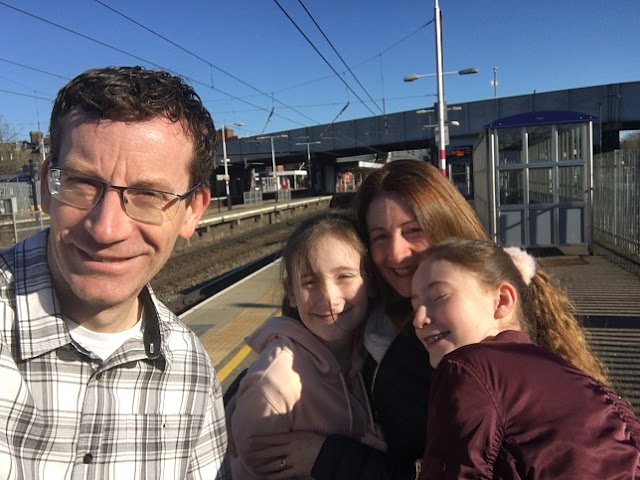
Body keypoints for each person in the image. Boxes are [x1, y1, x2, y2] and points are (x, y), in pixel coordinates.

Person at [0, 66, 229, 479]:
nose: (106, 228)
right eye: (82, 182)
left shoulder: (192, 372)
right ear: (44, 188)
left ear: (191, 211)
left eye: (149, 194)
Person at [242, 159, 491, 479]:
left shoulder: (485, 329)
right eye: (380, 236)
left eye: (413, 230)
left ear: (446, 227)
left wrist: (325, 457)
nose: (397, 253)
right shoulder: (374, 332)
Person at [411, 237, 637, 478]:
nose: (418, 319)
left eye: (439, 296)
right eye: (414, 306)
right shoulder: (579, 379)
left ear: (502, 301)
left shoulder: (468, 367)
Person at [230, 212, 385, 479]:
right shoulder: (276, 383)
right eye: (310, 282)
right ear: (291, 292)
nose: (328, 297)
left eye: (344, 276)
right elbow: (256, 469)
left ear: (369, 281)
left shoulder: (367, 352)